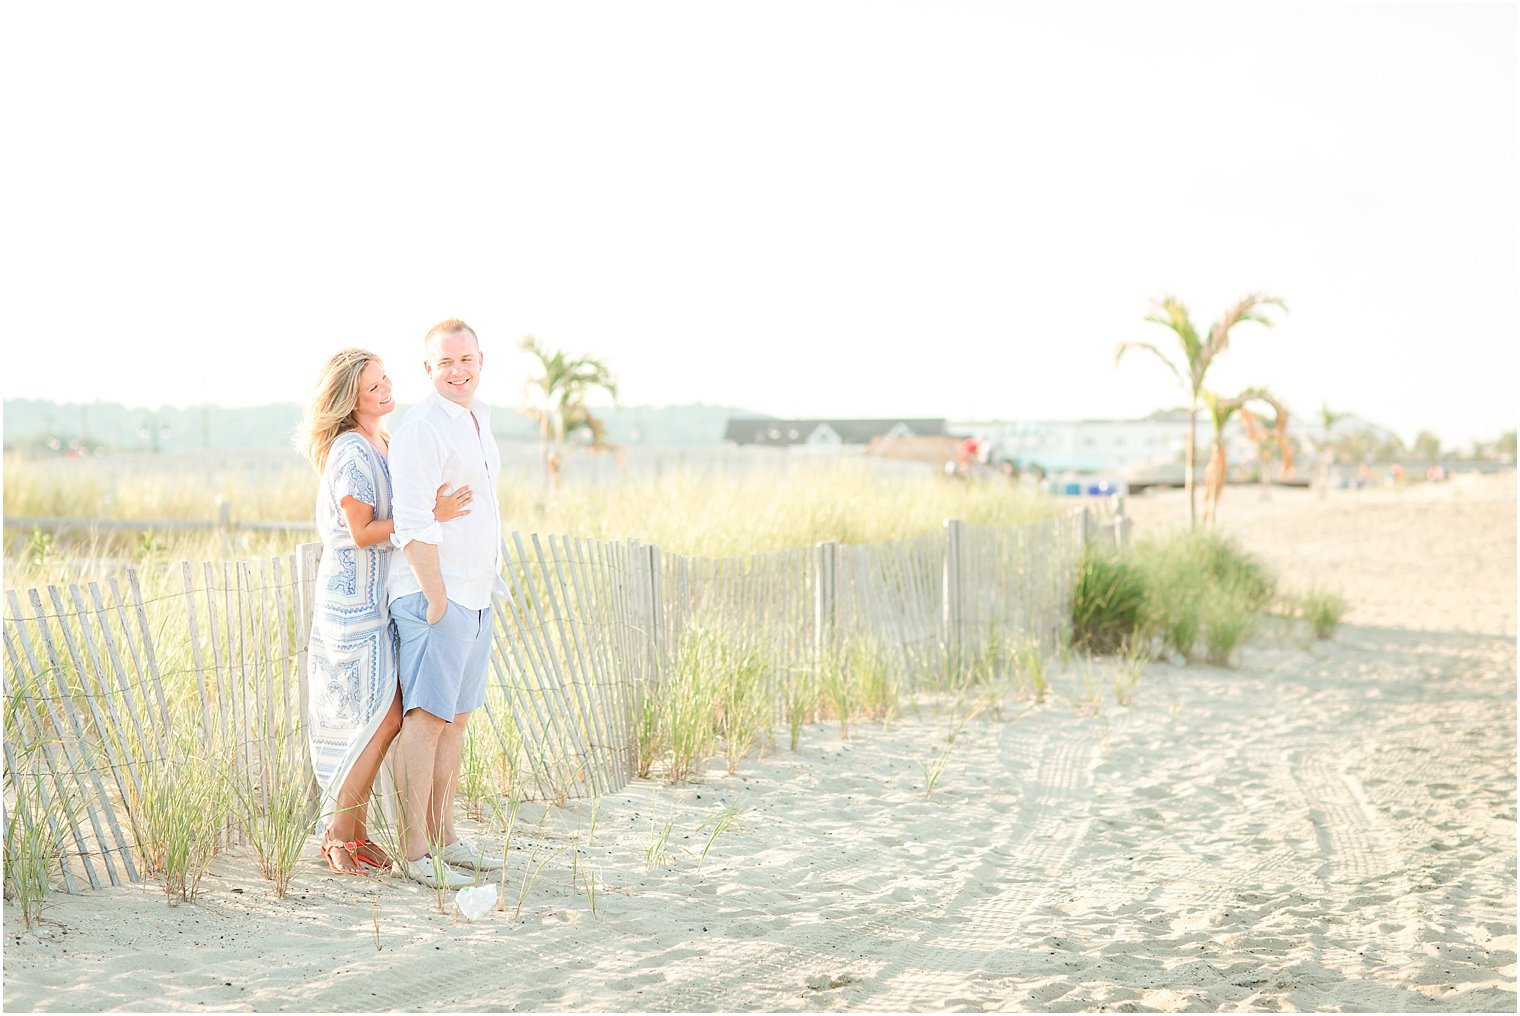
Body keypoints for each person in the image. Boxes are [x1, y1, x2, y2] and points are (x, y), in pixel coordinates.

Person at [298, 348, 473, 876]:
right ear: (350, 398)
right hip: (351, 600)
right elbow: (360, 531)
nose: (385, 389)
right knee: (381, 714)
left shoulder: (386, 441)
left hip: (380, 597)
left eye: (384, 379)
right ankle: (339, 832)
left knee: (380, 715)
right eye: (372, 386)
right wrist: (428, 516)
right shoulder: (352, 450)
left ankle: (351, 828)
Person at [388, 318, 510, 888]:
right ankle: (415, 853)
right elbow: (412, 521)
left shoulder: (477, 415)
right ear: (428, 368)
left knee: (456, 721)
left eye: (466, 360)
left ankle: (445, 837)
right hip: (438, 595)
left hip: (475, 590)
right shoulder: (421, 429)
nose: (457, 371)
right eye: (445, 363)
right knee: (428, 719)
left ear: (481, 360)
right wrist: (436, 599)